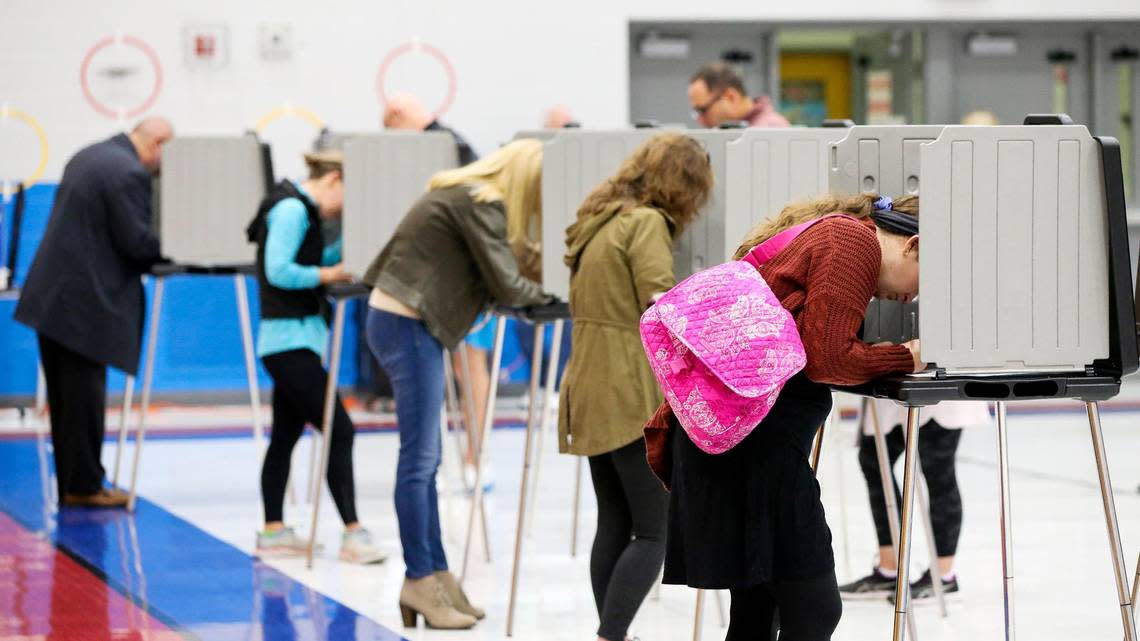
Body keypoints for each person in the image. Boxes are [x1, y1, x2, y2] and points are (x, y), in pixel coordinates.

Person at [646, 193, 925, 640]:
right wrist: (903, 357)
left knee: (757, 611)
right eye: (921, 279)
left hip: (734, 443)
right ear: (912, 245)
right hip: (758, 454)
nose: (911, 295)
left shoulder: (826, 233)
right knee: (814, 607)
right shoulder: (855, 242)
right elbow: (827, 359)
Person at [361, 138, 553, 630]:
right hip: (408, 324)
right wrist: (560, 293)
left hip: (404, 322)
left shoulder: (463, 195)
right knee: (420, 461)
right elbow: (508, 283)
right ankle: (419, 579)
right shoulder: (478, 203)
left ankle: (437, 575)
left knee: (427, 461)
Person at [559, 133, 714, 641]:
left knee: (615, 518)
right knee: (655, 529)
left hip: (587, 376)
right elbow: (660, 303)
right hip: (627, 381)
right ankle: (611, 635)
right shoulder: (646, 223)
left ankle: (613, 631)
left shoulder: (602, 221)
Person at [14, 118, 174, 508]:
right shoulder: (128, 172)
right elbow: (137, 242)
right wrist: (177, 245)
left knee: (66, 399)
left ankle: (75, 482)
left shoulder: (90, 155)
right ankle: (84, 486)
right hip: (83, 305)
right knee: (83, 398)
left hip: (53, 296)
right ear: (157, 144)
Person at [245, 151, 385, 565]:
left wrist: (344, 253)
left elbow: (312, 258)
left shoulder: (301, 211)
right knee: (339, 430)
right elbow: (278, 270)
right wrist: (330, 275)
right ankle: (353, 533)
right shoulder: (290, 209)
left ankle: (273, 531)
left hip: (295, 341)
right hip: (289, 343)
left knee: (285, 436)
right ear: (335, 180)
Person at [840, 400, 991, 600]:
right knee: (874, 459)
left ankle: (943, 576)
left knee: (937, 467)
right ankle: (889, 568)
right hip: (892, 384)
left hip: (938, 388)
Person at [688, 62, 790, 129]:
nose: (700, 119)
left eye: (703, 110)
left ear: (731, 97)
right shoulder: (736, 130)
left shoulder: (770, 130)